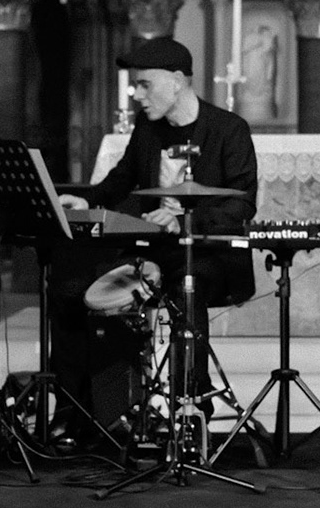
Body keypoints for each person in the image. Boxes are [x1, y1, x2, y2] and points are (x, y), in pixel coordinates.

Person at [50, 37, 259, 440]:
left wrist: (184, 220)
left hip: (209, 252)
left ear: (177, 81)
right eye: (136, 85)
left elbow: (241, 204)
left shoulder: (228, 129)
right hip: (153, 251)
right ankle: (75, 409)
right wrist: (86, 199)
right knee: (69, 288)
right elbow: (119, 181)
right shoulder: (148, 129)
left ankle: (191, 404)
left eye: (145, 84)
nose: (137, 94)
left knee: (186, 287)